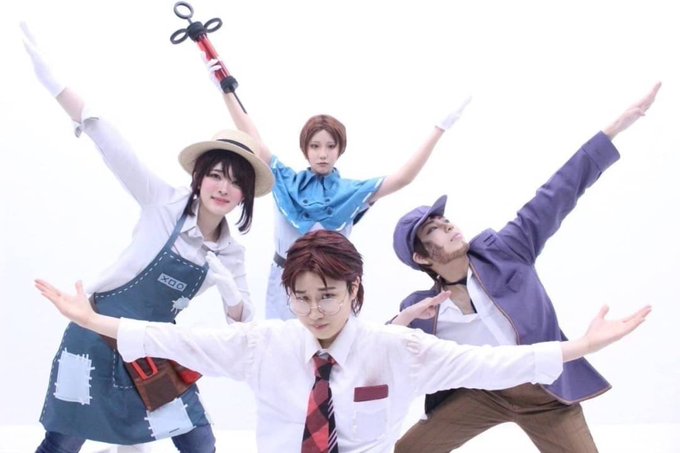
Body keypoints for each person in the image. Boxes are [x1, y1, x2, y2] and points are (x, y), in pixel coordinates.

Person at [35, 230, 651, 453]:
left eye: (327, 296)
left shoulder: (396, 349)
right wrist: (92, 321)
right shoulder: (265, 345)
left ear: (355, 290)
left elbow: (490, 364)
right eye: (301, 297)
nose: (314, 311)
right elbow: (175, 340)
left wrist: (579, 347)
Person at [21, 23, 273, 452]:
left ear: (244, 195)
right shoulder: (163, 202)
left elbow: (244, 321)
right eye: (216, 175)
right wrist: (55, 85)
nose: (223, 188)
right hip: (95, 333)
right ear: (200, 176)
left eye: (235, 182)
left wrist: (229, 291)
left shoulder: (230, 252)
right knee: (62, 442)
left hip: (152, 348)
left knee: (199, 442)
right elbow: (112, 145)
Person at [390, 82, 661, 452]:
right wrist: (400, 320)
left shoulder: (506, 251)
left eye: (445, 220)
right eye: (433, 230)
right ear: (421, 258)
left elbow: (556, 193)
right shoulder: (422, 309)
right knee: (407, 450)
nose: (448, 226)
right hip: (482, 393)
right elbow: (378, 349)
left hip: (545, 394)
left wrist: (613, 129)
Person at [200, 51, 470, 319]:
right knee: (284, 344)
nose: (323, 154)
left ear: (340, 149)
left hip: (333, 283)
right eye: (315, 146)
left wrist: (439, 128)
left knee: (340, 346)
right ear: (305, 149)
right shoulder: (286, 180)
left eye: (330, 146)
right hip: (285, 284)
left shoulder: (352, 192)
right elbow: (252, 136)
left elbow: (402, 178)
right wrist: (226, 88)